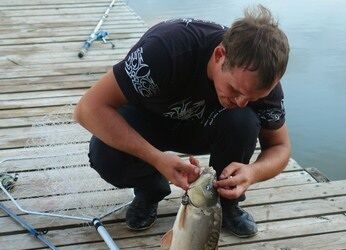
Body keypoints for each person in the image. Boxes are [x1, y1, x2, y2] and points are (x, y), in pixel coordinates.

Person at [74, 4, 291, 237]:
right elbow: (87, 109)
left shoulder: (260, 83)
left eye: (253, 98)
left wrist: (253, 172)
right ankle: (150, 189)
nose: (241, 101)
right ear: (220, 55)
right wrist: (156, 159)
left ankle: (225, 204)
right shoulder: (166, 49)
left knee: (243, 120)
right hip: (148, 120)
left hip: (204, 127)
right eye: (234, 89)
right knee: (105, 154)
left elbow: (279, 146)